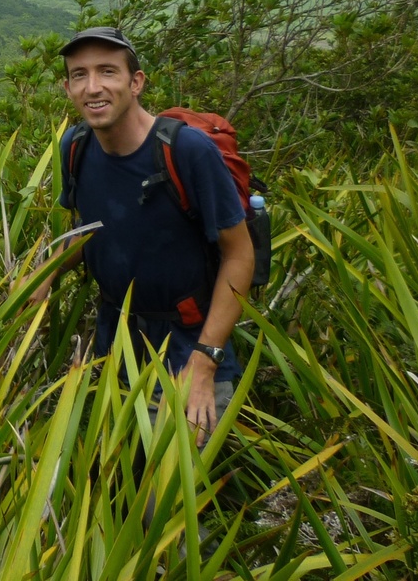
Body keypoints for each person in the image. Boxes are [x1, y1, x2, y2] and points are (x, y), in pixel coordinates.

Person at [33, 26, 254, 444]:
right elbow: (89, 228)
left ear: (136, 82)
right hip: (114, 345)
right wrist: (45, 272)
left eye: (107, 72)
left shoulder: (187, 152)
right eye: (79, 75)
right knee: (111, 472)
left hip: (188, 347)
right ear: (68, 88)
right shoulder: (76, 146)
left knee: (169, 481)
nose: (92, 87)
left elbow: (239, 255)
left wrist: (205, 362)